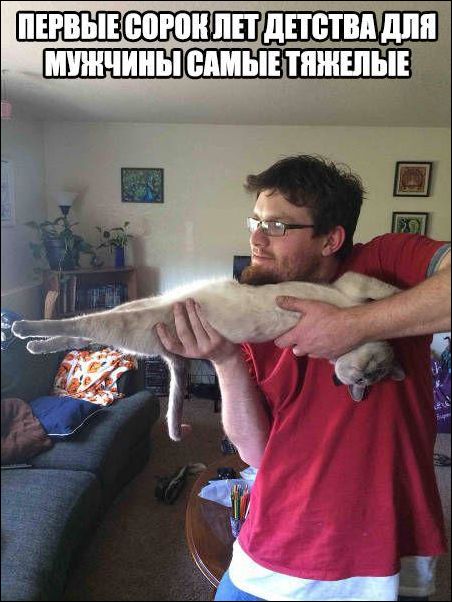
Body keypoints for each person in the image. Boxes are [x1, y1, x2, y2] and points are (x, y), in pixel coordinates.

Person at [156, 155, 451, 602]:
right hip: (271, 548)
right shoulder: (252, 312)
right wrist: (224, 360)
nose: (256, 239)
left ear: (331, 239)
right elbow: (256, 452)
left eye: (277, 226)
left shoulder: (385, 260)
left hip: (385, 554)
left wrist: (353, 325)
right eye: (255, 221)